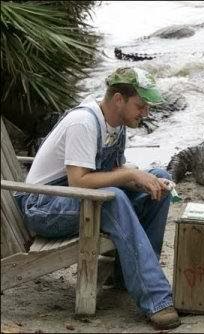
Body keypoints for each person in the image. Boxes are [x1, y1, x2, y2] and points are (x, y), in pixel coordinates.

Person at [15, 67, 181, 330]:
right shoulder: (84, 122)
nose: (146, 112)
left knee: (157, 180)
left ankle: (127, 279)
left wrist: (143, 177)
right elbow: (79, 181)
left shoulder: (116, 124)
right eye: (141, 105)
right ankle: (157, 299)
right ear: (118, 99)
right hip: (44, 206)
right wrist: (132, 175)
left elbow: (111, 170)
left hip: (74, 199)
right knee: (112, 199)